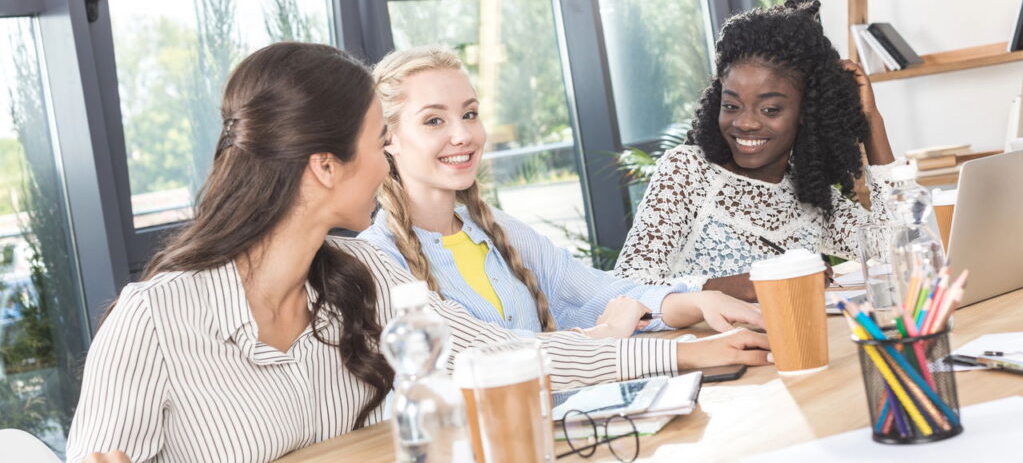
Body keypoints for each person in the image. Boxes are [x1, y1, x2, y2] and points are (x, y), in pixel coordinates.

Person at [68, 43, 770, 463]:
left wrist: (685, 352)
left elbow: (502, 357)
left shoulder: (361, 280)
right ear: (324, 167)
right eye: (380, 143)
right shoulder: (154, 322)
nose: (386, 165)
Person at [359, 45, 769, 341]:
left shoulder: (496, 230)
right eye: (433, 121)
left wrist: (699, 301)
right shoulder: (375, 260)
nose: (463, 135)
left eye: (470, 114)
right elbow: (484, 360)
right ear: (388, 138)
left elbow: (599, 294)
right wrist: (607, 332)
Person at [614, 0, 897, 301]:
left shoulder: (809, 194)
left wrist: (870, 120)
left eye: (770, 109)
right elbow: (627, 290)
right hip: (696, 347)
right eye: (731, 106)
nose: (745, 123)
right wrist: (741, 285)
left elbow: (895, 245)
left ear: (806, 112)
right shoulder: (687, 171)